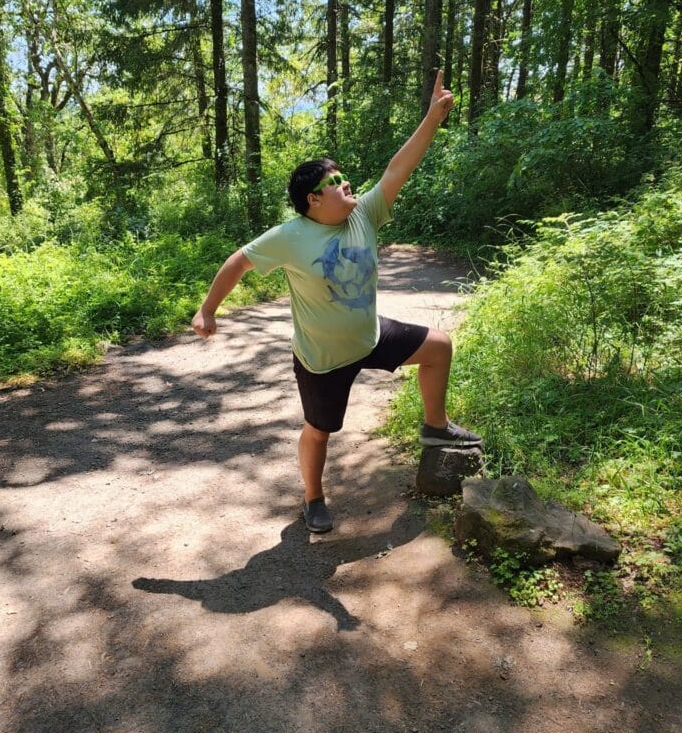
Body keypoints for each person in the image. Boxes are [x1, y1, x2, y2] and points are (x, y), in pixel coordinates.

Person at [192, 70, 481, 533]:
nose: (347, 183)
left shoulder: (364, 213)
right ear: (312, 199)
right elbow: (237, 262)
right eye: (336, 180)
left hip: (369, 337)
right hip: (322, 360)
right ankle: (313, 498)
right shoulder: (289, 236)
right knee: (320, 431)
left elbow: (397, 168)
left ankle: (436, 425)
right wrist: (208, 309)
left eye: (345, 177)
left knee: (439, 346)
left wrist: (432, 119)